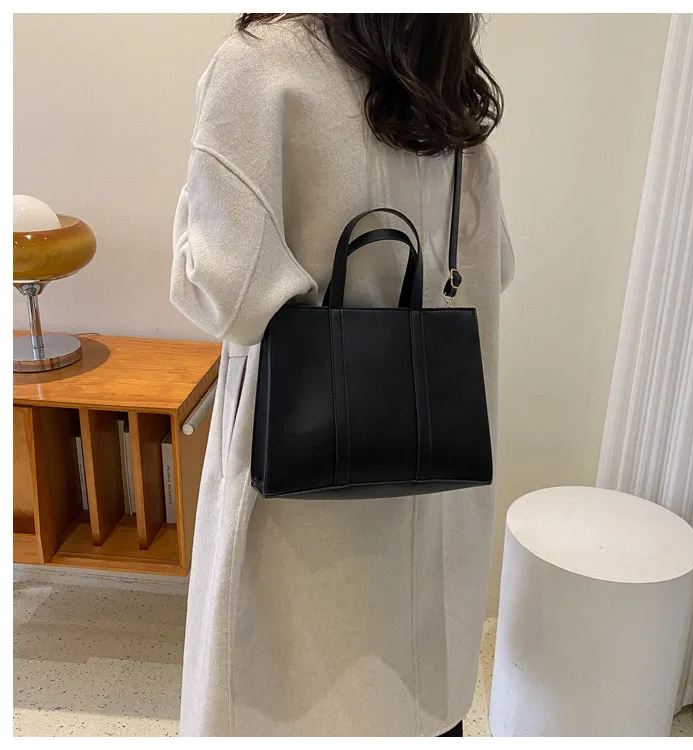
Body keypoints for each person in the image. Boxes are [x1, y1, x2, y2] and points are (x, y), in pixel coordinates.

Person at [170, 13, 515, 737]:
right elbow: (494, 269)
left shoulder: (261, 66)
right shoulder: (443, 74)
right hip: (431, 477)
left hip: (299, 498)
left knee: (285, 695)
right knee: (412, 696)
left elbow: (226, 292)